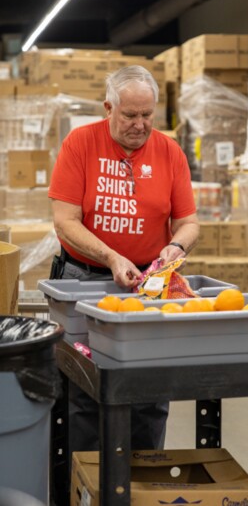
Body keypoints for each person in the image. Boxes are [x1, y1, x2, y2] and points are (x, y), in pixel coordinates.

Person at [48, 64, 200, 455]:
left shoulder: (169, 152)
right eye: (129, 115)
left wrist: (177, 248)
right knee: (85, 391)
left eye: (147, 115)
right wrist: (113, 257)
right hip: (83, 282)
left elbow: (188, 222)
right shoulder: (80, 144)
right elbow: (65, 221)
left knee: (150, 391)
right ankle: (89, 485)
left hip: (149, 287)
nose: (140, 124)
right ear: (108, 108)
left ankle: (144, 484)